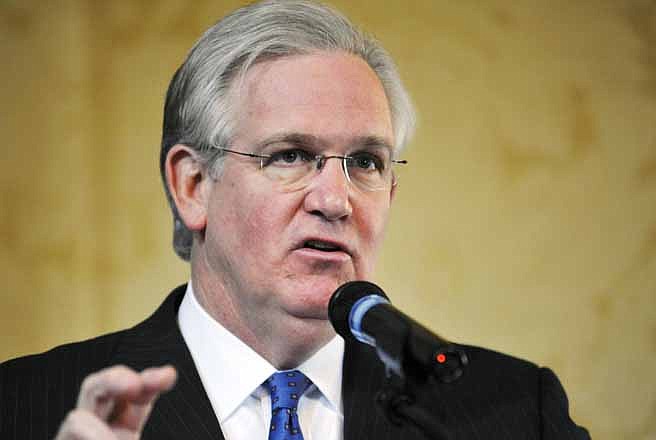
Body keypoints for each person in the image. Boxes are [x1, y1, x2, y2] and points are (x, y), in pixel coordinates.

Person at [0, 1, 590, 439]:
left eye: (365, 162)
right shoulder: (26, 408)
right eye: (291, 156)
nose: (335, 200)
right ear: (192, 185)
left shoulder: (512, 412)